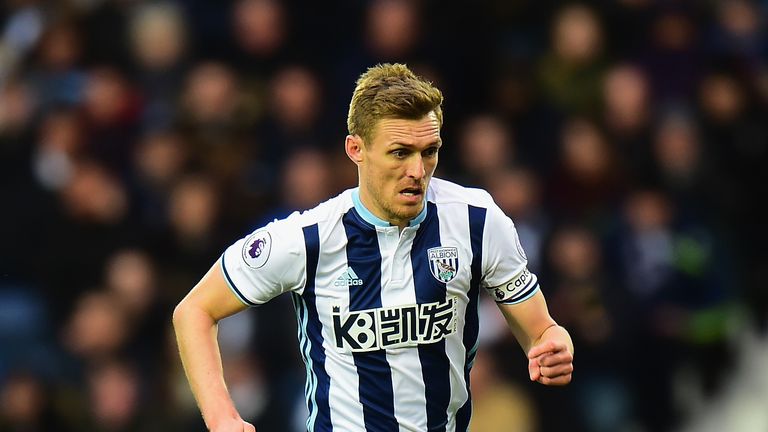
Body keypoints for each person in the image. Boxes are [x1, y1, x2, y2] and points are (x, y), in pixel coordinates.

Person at [173, 63, 574, 432]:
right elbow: (194, 310)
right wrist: (221, 416)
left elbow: (540, 331)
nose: (417, 171)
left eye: (428, 151)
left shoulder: (476, 220)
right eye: (399, 153)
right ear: (356, 150)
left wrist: (552, 343)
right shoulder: (309, 238)